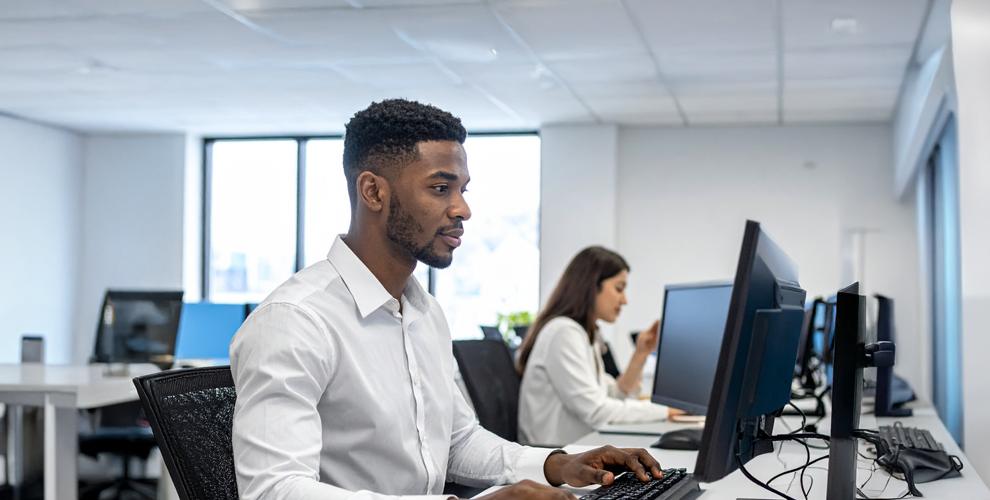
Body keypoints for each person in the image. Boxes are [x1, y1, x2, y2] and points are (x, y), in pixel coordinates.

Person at [230, 99, 666, 500]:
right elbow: (274, 490)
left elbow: (457, 440)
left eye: (463, 190)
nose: (463, 209)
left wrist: (557, 462)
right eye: (441, 188)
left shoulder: (424, 313)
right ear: (373, 192)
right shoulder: (295, 320)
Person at [516, 247, 679, 446]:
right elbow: (596, 411)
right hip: (553, 455)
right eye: (619, 289)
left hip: (574, 448)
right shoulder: (564, 332)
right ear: (592, 286)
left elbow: (613, 395)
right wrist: (667, 411)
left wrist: (641, 353)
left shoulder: (584, 333)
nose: (624, 300)